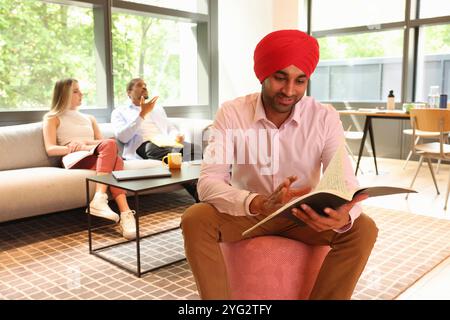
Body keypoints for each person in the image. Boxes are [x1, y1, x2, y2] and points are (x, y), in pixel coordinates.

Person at [180, 30, 378, 300]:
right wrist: (259, 202)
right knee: (195, 218)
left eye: (300, 81)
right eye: (280, 77)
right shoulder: (232, 112)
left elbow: (344, 179)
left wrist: (344, 216)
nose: (289, 90)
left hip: (304, 217)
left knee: (363, 228)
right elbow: (208, 182)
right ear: (262, 75)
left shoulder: (324, 117)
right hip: (249, 212)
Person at [42, 78, 136, 240]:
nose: (81, 94)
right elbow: (50, 149)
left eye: (80, 90)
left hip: (94, 155)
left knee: (115, 156)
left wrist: (85, 143)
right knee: (114, 155)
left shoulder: (89, 118)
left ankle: (124, 213)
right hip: (74, 158)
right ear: (63, 94)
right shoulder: (52, 118)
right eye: (76, 91)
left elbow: (103, 143)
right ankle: (106, 202)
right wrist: (75, 147)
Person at [111, 78, 201, 200]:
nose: (144, 87)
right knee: (170, 153)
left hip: (165, 142)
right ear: (129, 92)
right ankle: (200, 193)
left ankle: (204, 188)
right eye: (139, 85)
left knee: (195, 149)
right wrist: (142, 114)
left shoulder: (157, 109)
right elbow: (123, 136)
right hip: (144, 145)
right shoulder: (119, 112)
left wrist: (176, 135)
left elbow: (169, 128)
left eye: (145, 85)